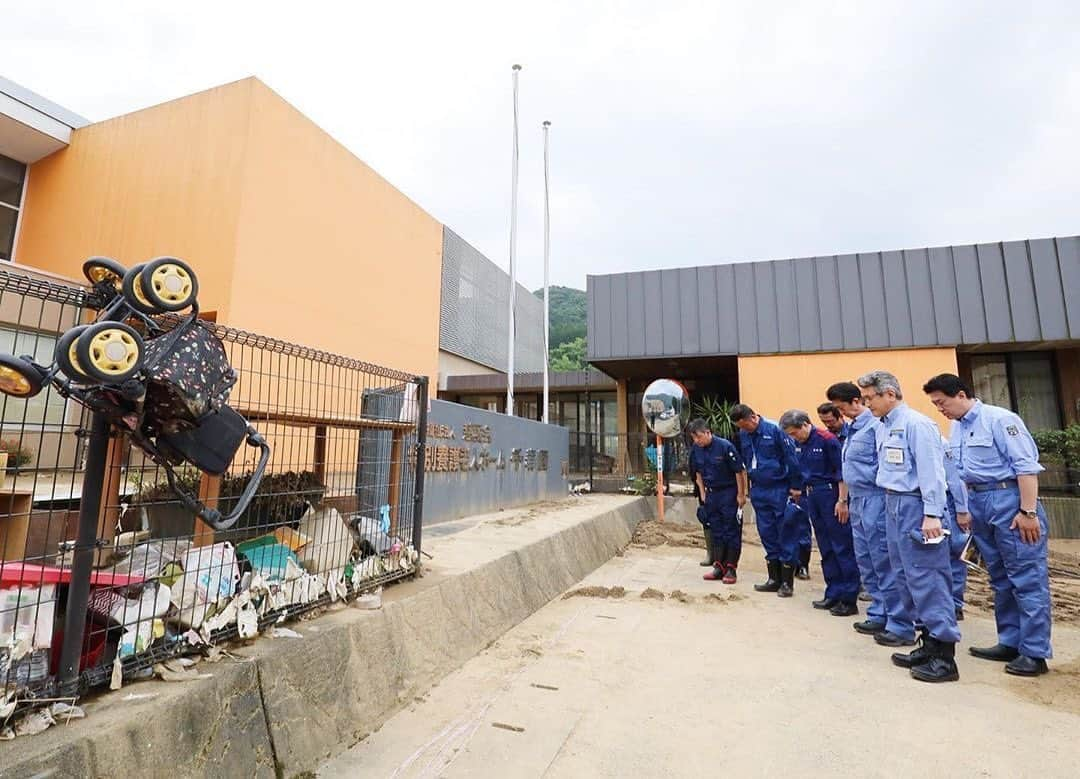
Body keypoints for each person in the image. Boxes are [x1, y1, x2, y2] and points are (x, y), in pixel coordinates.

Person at [923, 373, 1052, 677]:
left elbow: (1026, 467)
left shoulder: (1000, 420)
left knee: (1026, 577)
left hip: (1009, 500)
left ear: (961, 395)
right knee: (999, 577)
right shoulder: (957, 427)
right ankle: (1010, 640)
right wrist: (966, 511)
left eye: (942, 402)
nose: (940, 409)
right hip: (979, 502)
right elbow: (960, 471)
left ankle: (1035, 652)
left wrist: (1028, 512)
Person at [857, 370, 960, 683]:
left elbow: (933, 473)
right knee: (904, 576)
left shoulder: (917, 425)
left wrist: (933, 514)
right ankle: (928, 643)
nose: (867, 404)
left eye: (870, 398)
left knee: (928, 577)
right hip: (893, 503)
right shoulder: (884, 426)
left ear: (889, 394)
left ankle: (944, 656)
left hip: (916, 507)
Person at [827, 382, 912, 644]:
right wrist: (844, 499)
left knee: (883, 558)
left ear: (856, 401)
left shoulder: (877, 426)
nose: (841, 414)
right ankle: (878, 610)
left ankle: (897, 618)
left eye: (842, 407)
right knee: (866, 559)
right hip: (857, 499)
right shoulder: (852, 429)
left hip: (876, 497)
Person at [779, 409, 860, 615]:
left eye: (795, 433)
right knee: (825, 546)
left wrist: (842, 501)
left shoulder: (827, 440)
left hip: (831, 495)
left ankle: (849, 597)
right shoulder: (800, 445)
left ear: (805, 424)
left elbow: (841, 473)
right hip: (811, 495)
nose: (794, 438)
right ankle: (833, 591)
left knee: (841, 546)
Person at [729, 404, 804, 593]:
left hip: (779, 488)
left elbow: (791, 459)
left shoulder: (775, 430)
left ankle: (787, 582)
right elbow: (746, 460)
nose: (744, 430)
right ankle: (774, 578)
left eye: (745, 425)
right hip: (759, 489)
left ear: (753, 417)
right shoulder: (745, 436)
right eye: (740, 427)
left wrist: (795, 486)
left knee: (785, 532)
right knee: (766, 532)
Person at [688, 418, 748, 584]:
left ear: (708, 432)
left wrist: (741, 495)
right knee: (717, 531)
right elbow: (697, 472)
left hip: (728, 493)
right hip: (711, 494)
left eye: (699, 437)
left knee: (731, 530)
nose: (697, 441)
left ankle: (731, 568)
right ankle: (718, 567)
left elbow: (739, 472)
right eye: (694, 438)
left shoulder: (725, 446)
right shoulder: (696, 449)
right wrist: (703, 494)